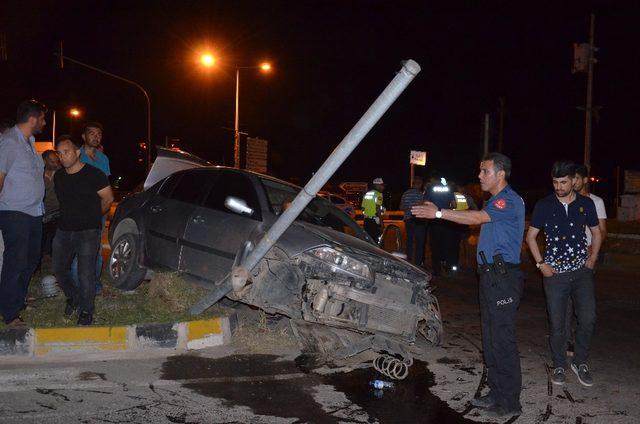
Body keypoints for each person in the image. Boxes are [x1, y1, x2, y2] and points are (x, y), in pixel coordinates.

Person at [412, 152, 525, 417]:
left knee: (503, 339)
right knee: (491, 337)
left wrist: (439, 212)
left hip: (503, 278)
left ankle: (510, 402)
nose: (479, 175)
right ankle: (496, 393)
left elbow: (476, 218)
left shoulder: (508, 200)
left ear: (501, 174)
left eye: (485, 171)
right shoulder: (495, 200)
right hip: (490, 277)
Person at [526, 160, 601, 387]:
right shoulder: (544, 205)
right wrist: (541, 264)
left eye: (564, 182)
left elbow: (597, 233)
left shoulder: (586, 204)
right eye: (555, 182)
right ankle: (559, 364)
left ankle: (580, 362)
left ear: (574, 181)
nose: (559, 187)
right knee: (558, 323)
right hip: (555, 275)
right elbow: (530, 237)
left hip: (581, 273)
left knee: (588, 318)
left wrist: (593, 258)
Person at [53, 137, 114, 325]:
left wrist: (94, 216)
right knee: (59, 270)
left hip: (88, 231)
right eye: (60, 153)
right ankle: (74, 297)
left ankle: (87, 310)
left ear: (77, 152)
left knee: (85, 272)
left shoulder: (94, 174)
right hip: (64, 230)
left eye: (67, 151)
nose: (63, 156)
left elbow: (108, 199)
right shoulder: (59, 176)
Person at [0, 100, 48, 326]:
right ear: (33, 119)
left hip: (34, 212)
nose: (44, 123)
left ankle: (17, 300)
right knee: (15, 261)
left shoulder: (29, 142)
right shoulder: (9, 142)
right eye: (43, 118)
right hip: (14, 212)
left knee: (31, 260)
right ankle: (9, 313)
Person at [71, 122, 111, 293]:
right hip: (79, 211)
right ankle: (78, 287)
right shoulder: (76, 156)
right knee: (79, 251)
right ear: (83, 136)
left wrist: (103, 209)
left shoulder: (103, 158)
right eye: (92, 133)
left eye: (99, 134)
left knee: (96, 248)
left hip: (99, 211)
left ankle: (94, 285)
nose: (96, 137)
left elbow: (106, 185)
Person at [424, 177, 457, 276]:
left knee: (435, 246)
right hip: (446, 220)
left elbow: (426, 204)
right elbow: (454, 205)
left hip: (434, 221)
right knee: (448, 245)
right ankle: (448, 268)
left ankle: (437, 270)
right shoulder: (448, 189)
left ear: (433, 180)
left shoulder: (430, 189)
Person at [400, 176, 426, 265]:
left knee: (409, 241)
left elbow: (401, 207)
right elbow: (424, 206)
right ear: (419, 184)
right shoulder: (420, 194)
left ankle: (408, 261)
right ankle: (418, 263)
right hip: (418, 220)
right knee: (419, 242)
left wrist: (408, 207)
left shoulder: (405, 193)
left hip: (408, 219)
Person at [41, 148, 62, 257]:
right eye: (52, 162)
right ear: (44, 161)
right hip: (42, 212)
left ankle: (54, 261)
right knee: (41, 239)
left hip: (58, 211)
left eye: (57, 161)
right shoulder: (37, 173)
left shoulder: (60, 173)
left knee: (56, 239)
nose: (55, 164)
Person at [361, 178, 385, 242]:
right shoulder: (379, 194)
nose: (383, 187)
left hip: (366, 221)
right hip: (375, 221)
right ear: (377, 185)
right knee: (378, 241)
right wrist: (381, 222)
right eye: (382, 185)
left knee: (368, 241)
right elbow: (377, 208)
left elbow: (363, 208)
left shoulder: (367, 193)